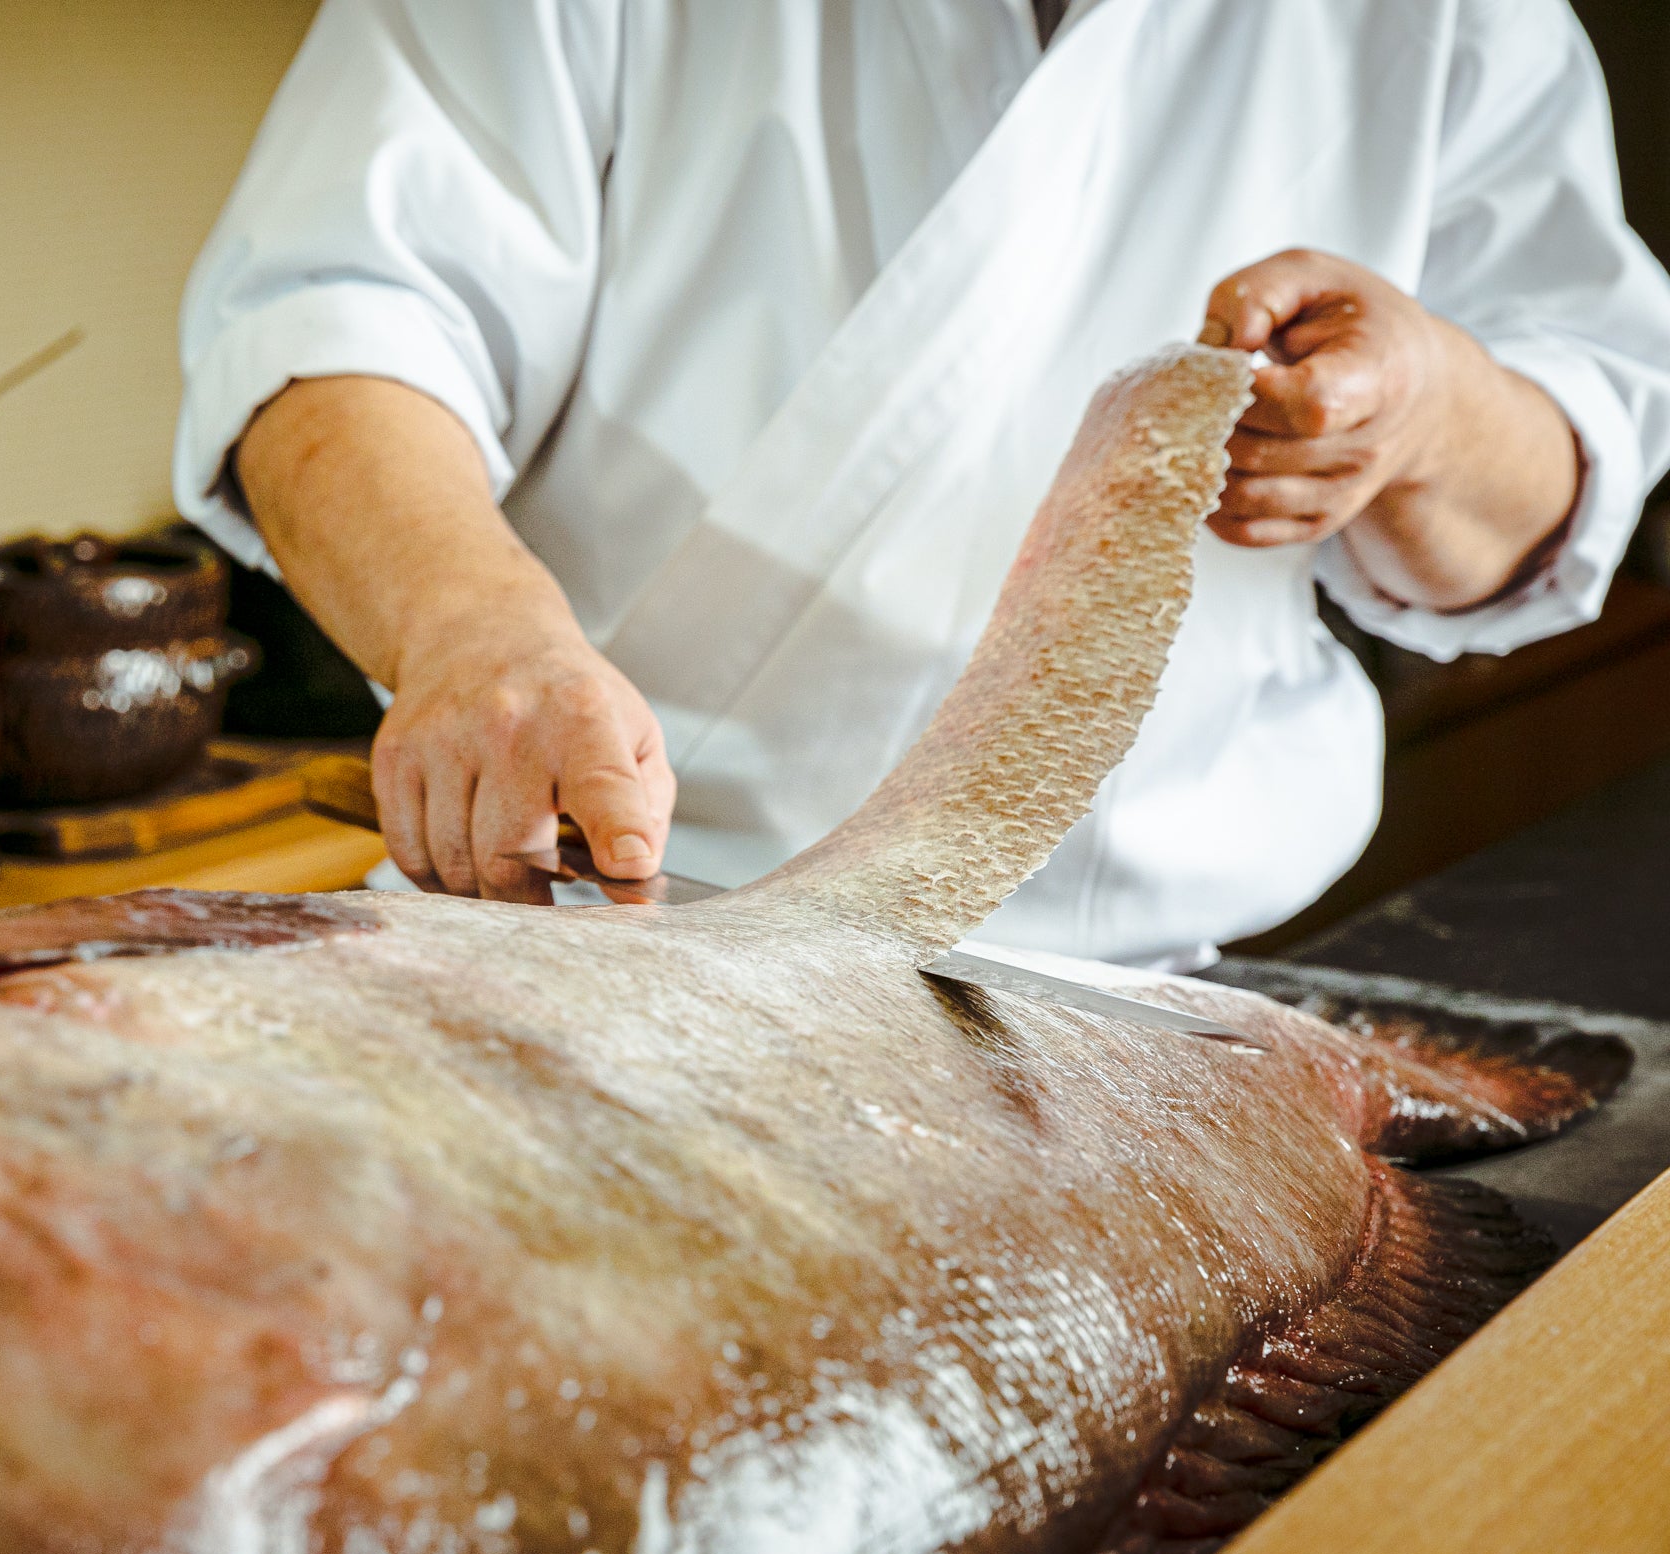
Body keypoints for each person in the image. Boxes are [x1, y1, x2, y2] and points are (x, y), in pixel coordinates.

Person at [174, 0, 1670, 968]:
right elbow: (336, 318)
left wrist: (1428, 416)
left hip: (1144, 1012)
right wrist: (471, 631)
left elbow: (1567, 470)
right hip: (581, 923)